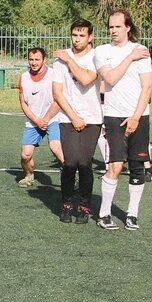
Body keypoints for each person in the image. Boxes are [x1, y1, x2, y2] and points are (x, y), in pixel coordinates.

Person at [93, 10, 152, 231]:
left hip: (139, 115)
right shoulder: (102, 51)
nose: (113, 31)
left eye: (118, 27)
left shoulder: (142, 52)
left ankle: (132, 214)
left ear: (128, 27)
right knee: (116, 165)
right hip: (112, 115)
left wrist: (136, 117)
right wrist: (129, 58)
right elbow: (110, 78)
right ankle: (104, 213)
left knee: (137, 167)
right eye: (111, 27)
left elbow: (147, 87)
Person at [51, 19, 102, 224]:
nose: (77, 39)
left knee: (85, 164)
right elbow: (57, 92)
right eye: (74, 35)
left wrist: (69, 60)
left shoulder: (96, 57)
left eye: (82, 35)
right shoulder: (59, 60)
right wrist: (73, 116)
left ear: (90, 37)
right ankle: (66, 203)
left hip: (93, 118)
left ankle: (84, 205)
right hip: (67, 117)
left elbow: (86, 79)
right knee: (70, 163)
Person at [17, 46, 64, 188]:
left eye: (37, 59)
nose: (34, 62)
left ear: (44, 60)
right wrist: (37, 120)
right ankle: (29, 175)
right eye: (31, 59)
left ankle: (70, 176)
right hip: (33, 122)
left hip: (53, 118)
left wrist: (46, 119)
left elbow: (59, 100)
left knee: (56, 148)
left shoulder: (54, 75)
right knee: (25, 155)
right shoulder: (23, 78)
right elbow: (23, 103)